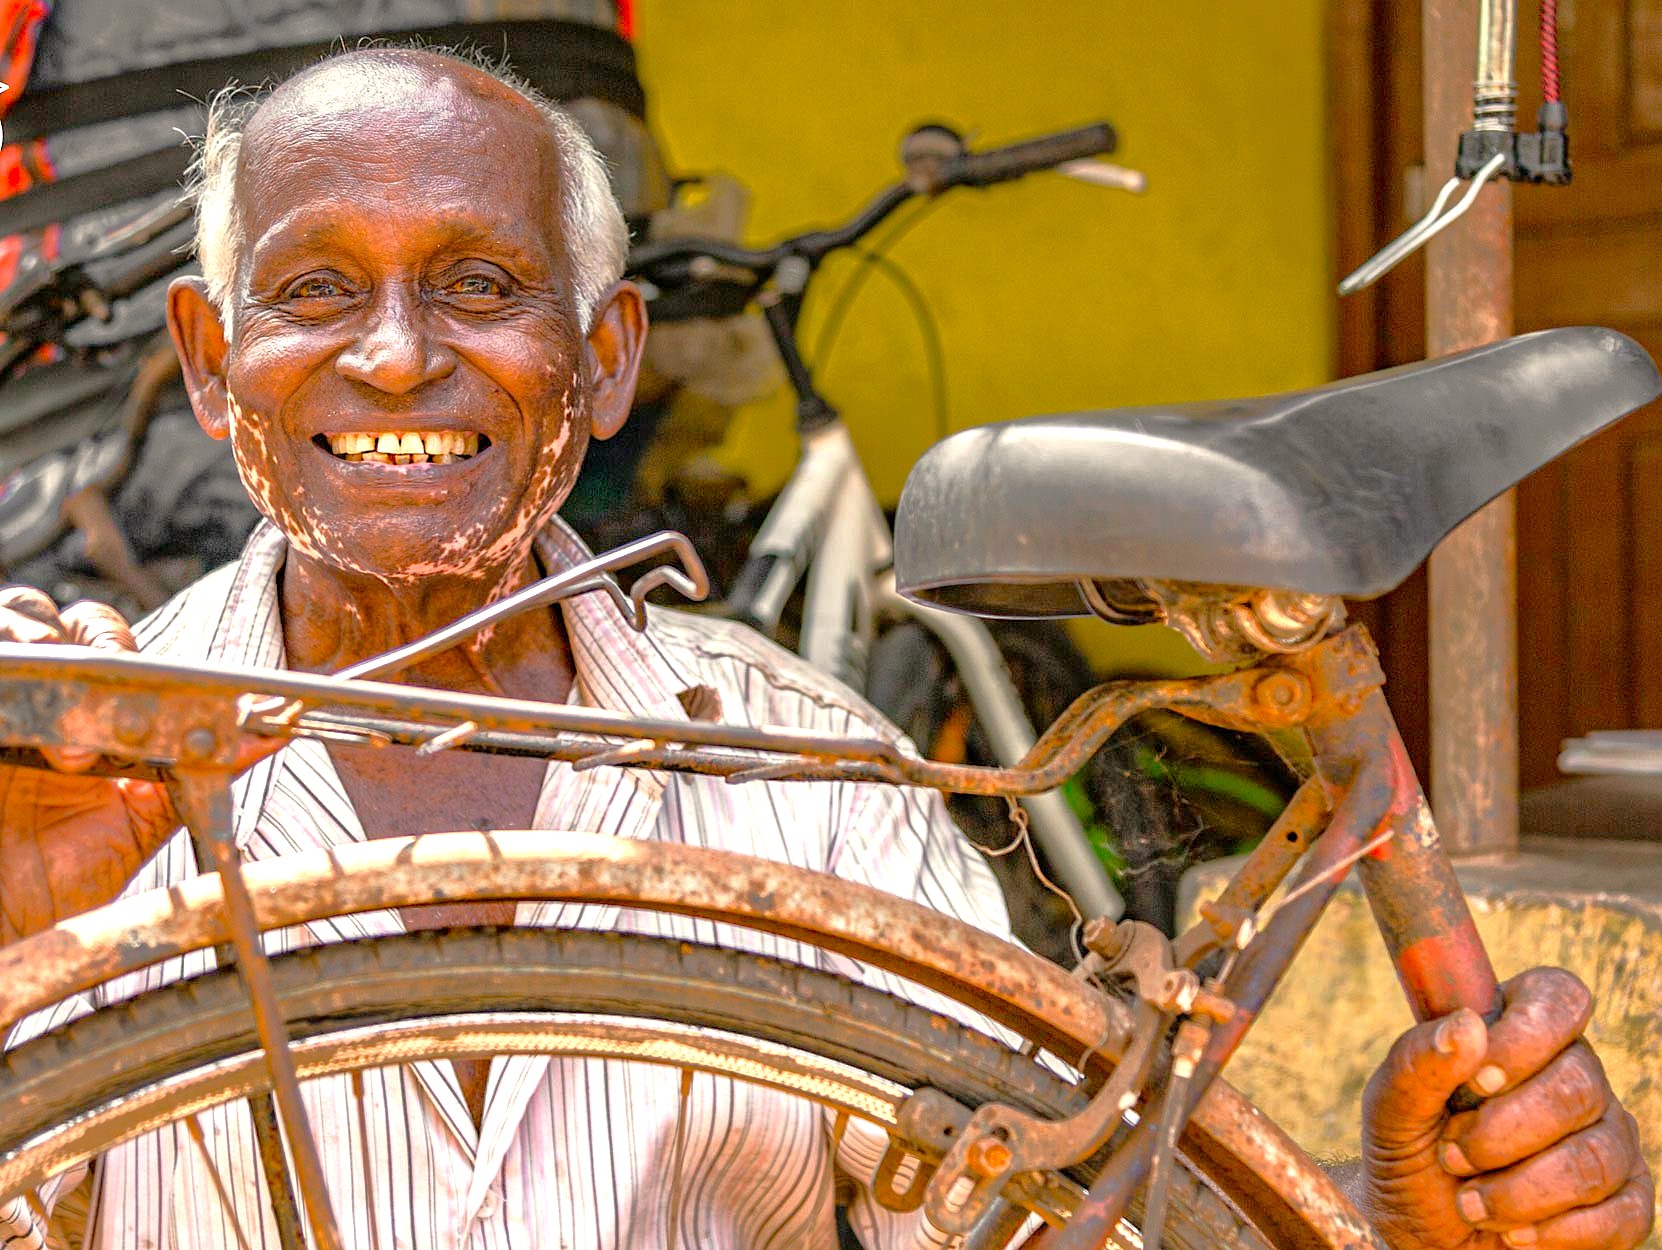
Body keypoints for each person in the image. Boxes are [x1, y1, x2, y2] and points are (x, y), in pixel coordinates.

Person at [0, 46, 1649, 1250]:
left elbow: (1018, 1233)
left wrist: (1373, 1225)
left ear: (605, 356)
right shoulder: (70, 791)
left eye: (482, 282)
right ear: (213, 368)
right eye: (311, 293)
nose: (394, 354)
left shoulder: (813, 776)